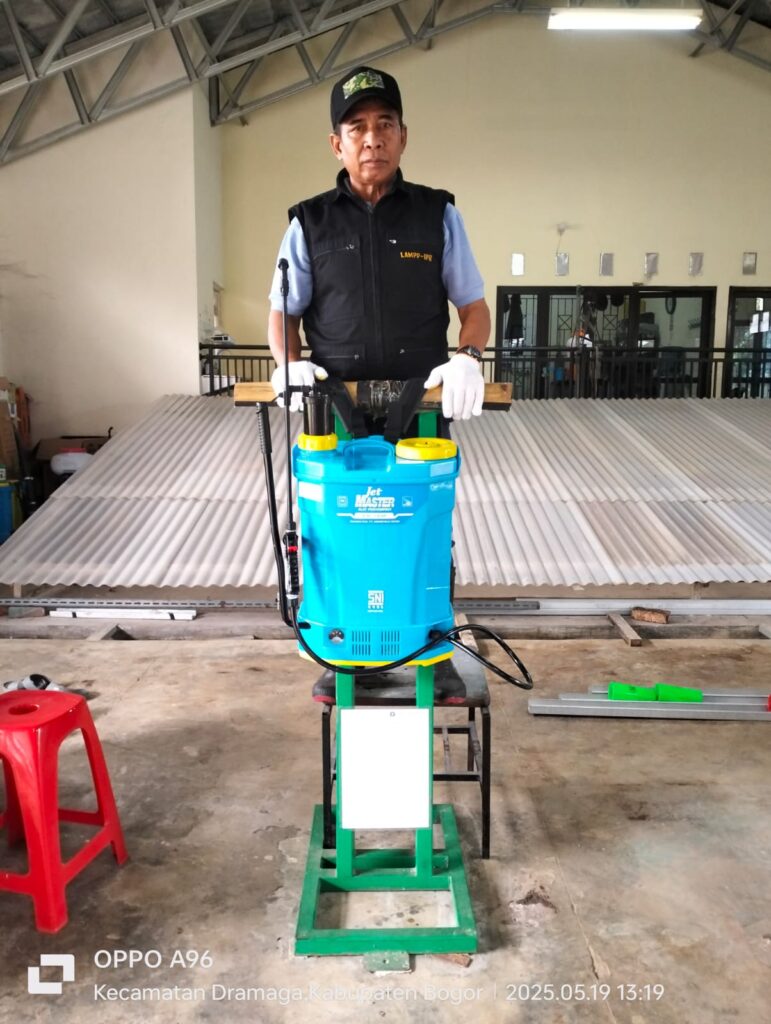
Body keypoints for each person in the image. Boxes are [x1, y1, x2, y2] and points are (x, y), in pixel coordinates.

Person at [267, 65, 490, 422]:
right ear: (337, 145)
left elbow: (473, 307)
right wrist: (289, 364)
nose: (373, 139)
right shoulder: (309, 224)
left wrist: (467, 358)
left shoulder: (439, 214)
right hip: (332, 410)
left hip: (423, 406)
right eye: (357, 128)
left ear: (403, 136)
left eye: (385, 124)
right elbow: (283, 314)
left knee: (424, 464)